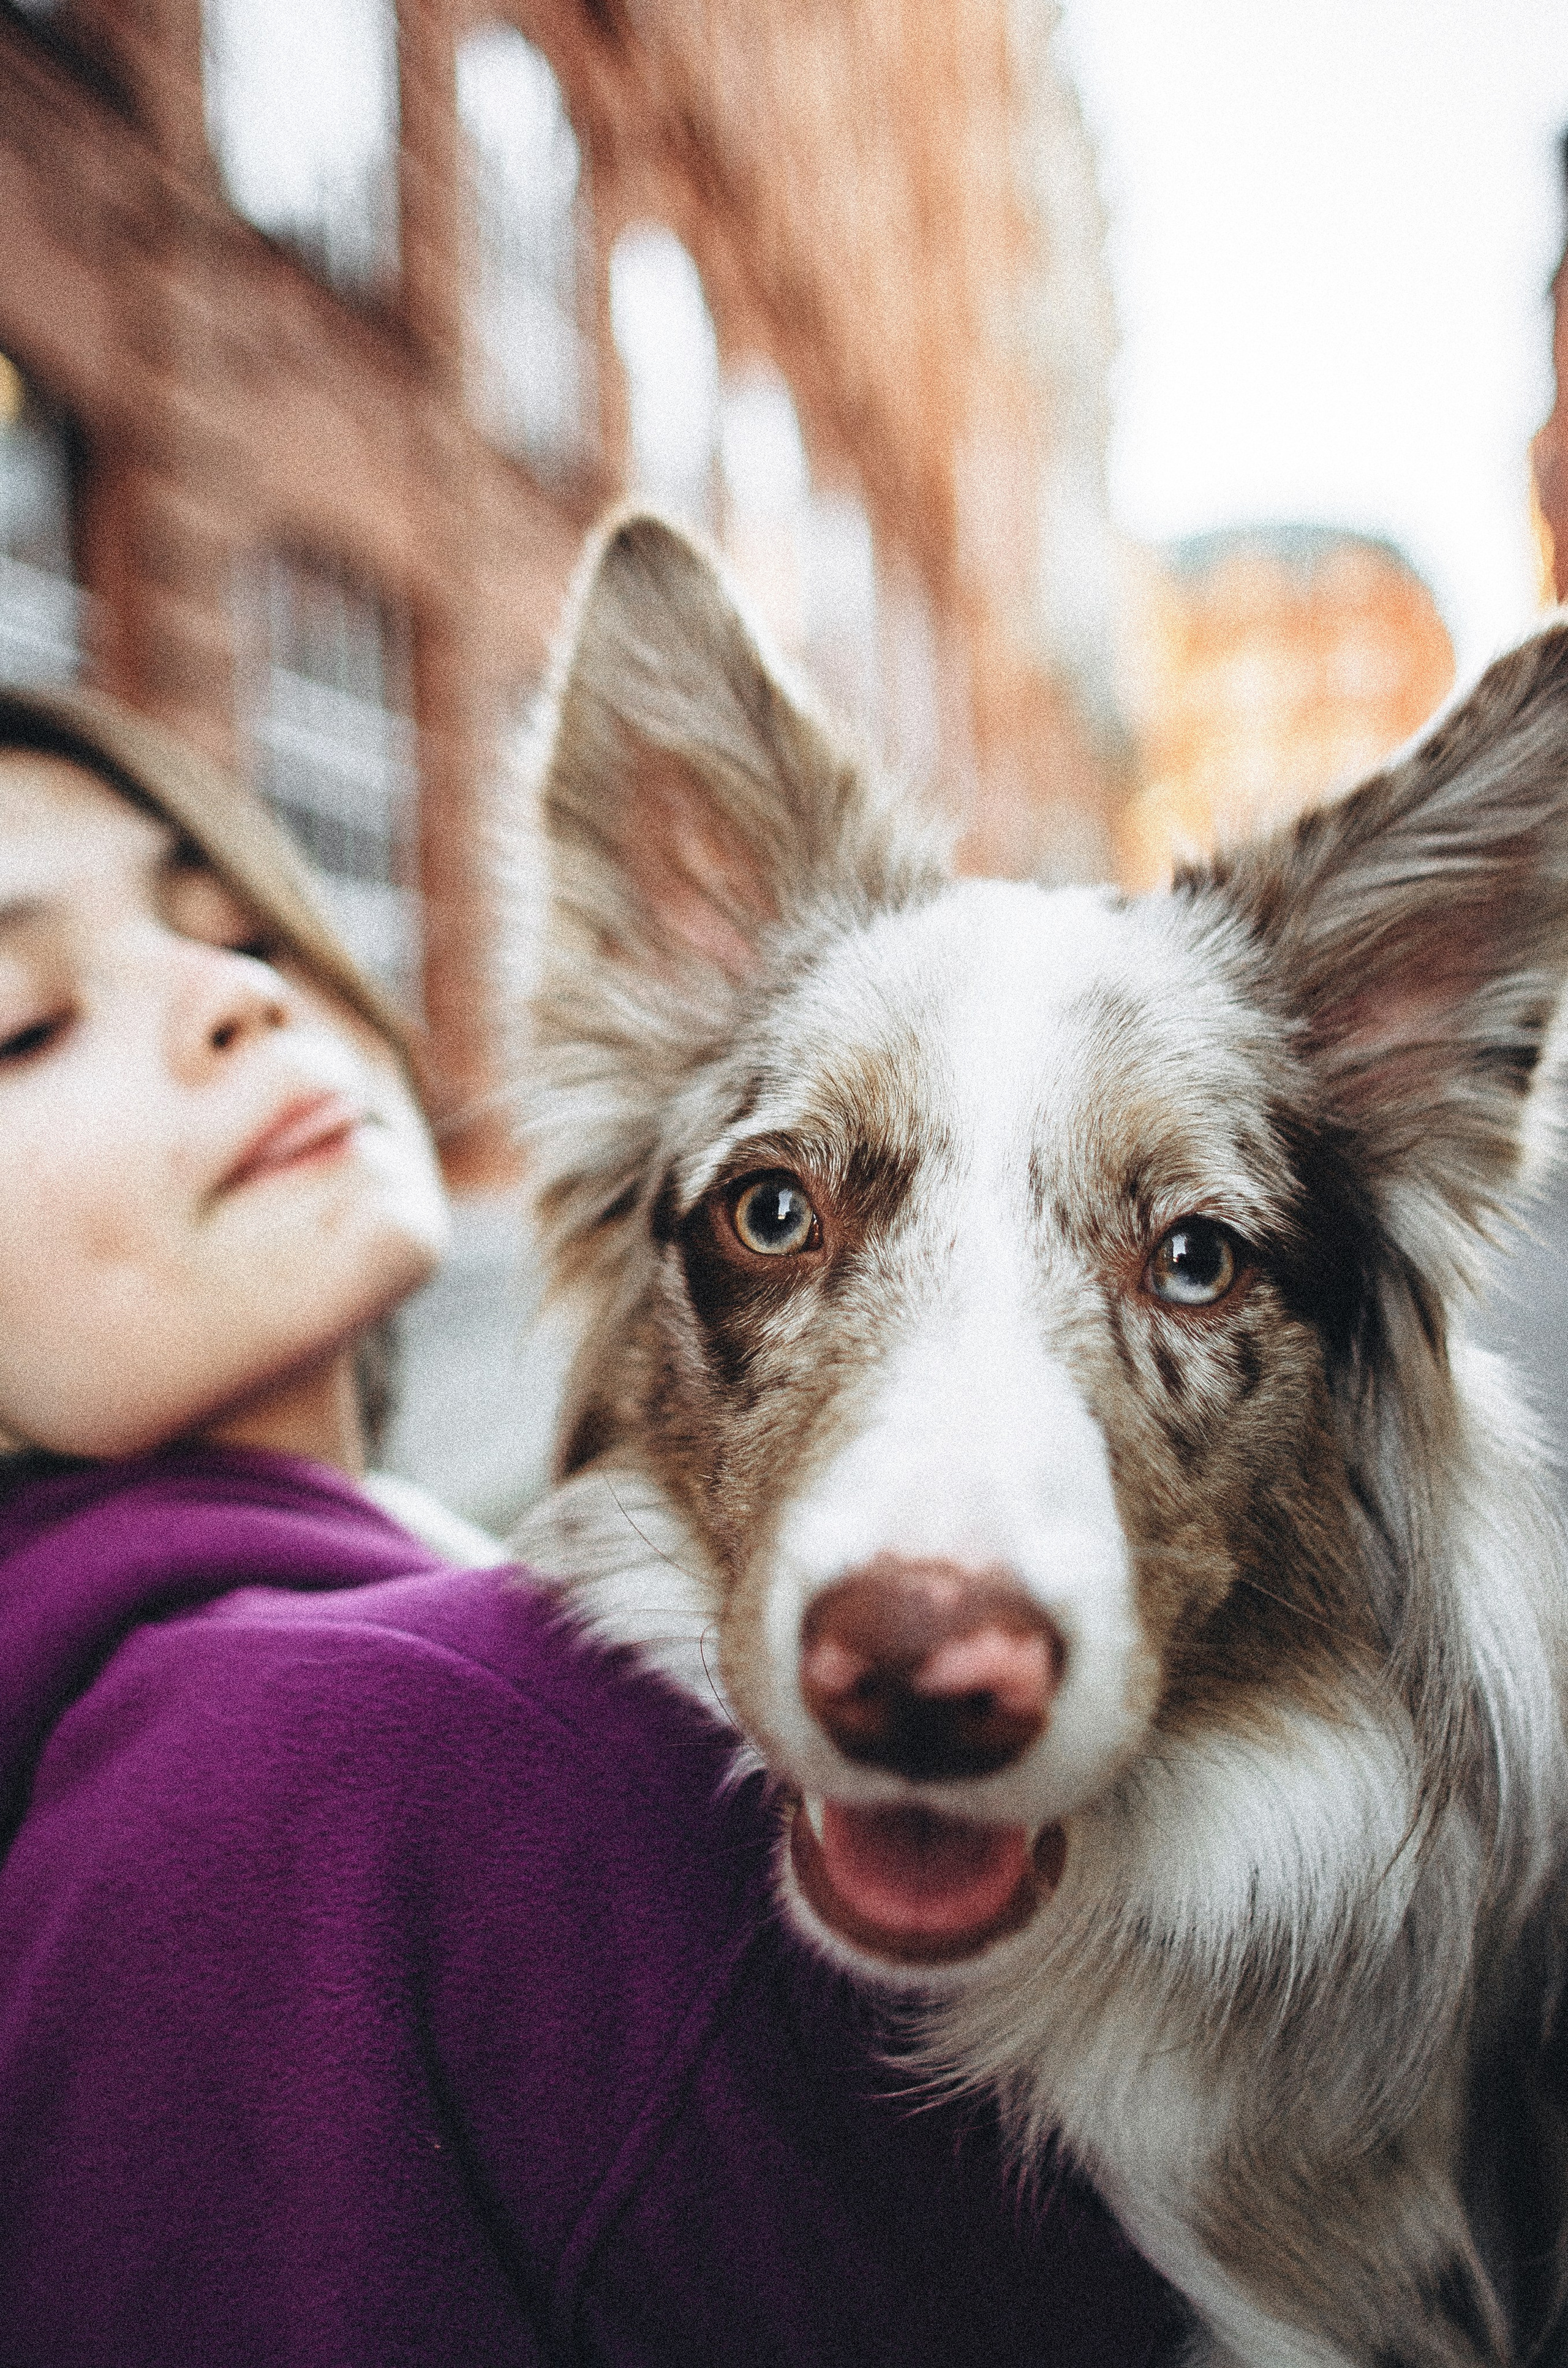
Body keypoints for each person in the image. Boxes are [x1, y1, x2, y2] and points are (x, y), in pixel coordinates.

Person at [0, 683, 1187, 2368]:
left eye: (236, 921)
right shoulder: (346, 1739)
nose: (233, 995)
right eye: (26, 1022)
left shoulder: (221, 1691)